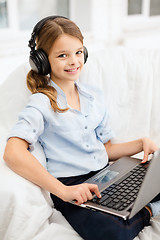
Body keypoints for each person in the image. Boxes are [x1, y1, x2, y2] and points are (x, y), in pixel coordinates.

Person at [3, 16, 160, 240]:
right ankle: (149, 211)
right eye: (62, 55)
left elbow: (106, 149)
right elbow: (12, 152)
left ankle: (134, 206)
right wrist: (64, 191)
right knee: (113, 235)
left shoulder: (94, 95)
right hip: (72, 185)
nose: (74, 61)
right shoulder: (41, 103)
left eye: (78, 52)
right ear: (42, 61)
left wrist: (140, 143)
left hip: (107, 173)